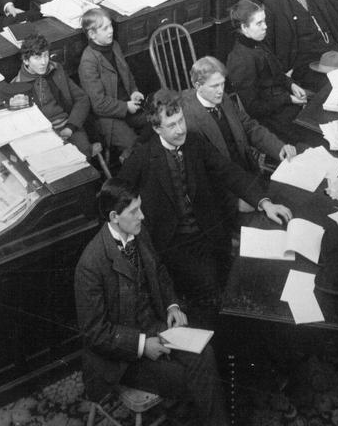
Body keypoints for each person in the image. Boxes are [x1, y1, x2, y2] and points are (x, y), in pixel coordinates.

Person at [119, 89, 292, 321]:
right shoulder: (142, 158)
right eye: (171, 125)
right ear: (157, 128)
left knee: (248, 273)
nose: (180, 129)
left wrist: (265, 203)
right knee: (215, 291)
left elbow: (228, 171)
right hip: (174, 244)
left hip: (209, 232)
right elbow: (116, 193)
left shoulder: (194, 142)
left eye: (181, 120)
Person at [75, 178, 229, 425]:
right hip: (120, 359)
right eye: (134, 211)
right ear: (115, 217)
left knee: (206, 355)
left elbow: (158, 271)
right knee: (189, 378)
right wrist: (142, 345)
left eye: (141, 208)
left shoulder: (138, 232)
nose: (142, 216)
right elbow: (94, 332)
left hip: (154, 325)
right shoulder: (91, 264)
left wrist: (172, 305)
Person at [182, 55, 297, 167]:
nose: (220, 91)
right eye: (214, 86)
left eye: (222, 84)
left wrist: (279, 147)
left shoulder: (225, 100)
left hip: (245, 167)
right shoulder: (189, 119)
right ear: (198, 86)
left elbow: (250, 128)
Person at [226, 0, 308, 142]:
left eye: (264, 21)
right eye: (259, 23)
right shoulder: (240, 60)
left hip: (283, 103)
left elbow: (277, 74)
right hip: (269, 119)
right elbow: (253, 109)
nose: (265, 27)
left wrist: (291, 85)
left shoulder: (259, 42)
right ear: (244, 28)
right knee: (312, 137)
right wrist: (288, 99)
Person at [13, 34, 98, 158]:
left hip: (69, 125)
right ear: (26, 60)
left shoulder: (57, 70)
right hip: (43, 136)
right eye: (37, 57)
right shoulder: (17, 86)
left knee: (83, 154)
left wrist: (71, 127)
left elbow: (82, 99)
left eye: (46, 55)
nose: (43, 62)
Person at [79, 7, 146, 162]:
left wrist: (134, 91)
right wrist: (125, 107)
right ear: (92, 34)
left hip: (128, 105)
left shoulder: (114, 45)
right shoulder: (88, 62)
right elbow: (98, 105)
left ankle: (131, 155)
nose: (110, 31)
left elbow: (126, 74)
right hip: (106, 117)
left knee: (157, 122)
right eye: (105, 28)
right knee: (133, 145)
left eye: (110, 26)